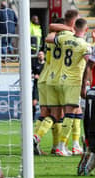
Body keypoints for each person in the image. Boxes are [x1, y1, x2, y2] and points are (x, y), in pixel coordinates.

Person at [33, 10, 79, 156]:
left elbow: (50, 32)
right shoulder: (71, 37)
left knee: (45, 113)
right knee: (58, 114)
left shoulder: (52, 37)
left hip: (45, 76)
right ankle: (36, 137)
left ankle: (49, 145)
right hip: (60, 77)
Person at [46, 18, 92, 156]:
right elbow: (90, 64)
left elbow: (49, 38)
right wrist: (88, 80)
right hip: (74, 81)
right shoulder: (84, 46)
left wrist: (66, 29)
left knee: (77, 112)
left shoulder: (64, 39)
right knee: (70, 114)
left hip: (61, 79)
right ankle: (61, 146)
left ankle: (76, 145)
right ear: (86, 29)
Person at [32, 51, 45, 120]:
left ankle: (43, 117)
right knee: (34, 103)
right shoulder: (34, 64)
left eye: (41, 54)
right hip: (36, 86)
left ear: (44, 56)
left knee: (43, 104)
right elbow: (31, 74)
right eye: (39, 55)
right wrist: (34, 76)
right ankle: (32, 118)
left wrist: (40, 77)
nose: (40, 56)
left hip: (44, 86)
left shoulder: (46, 65)